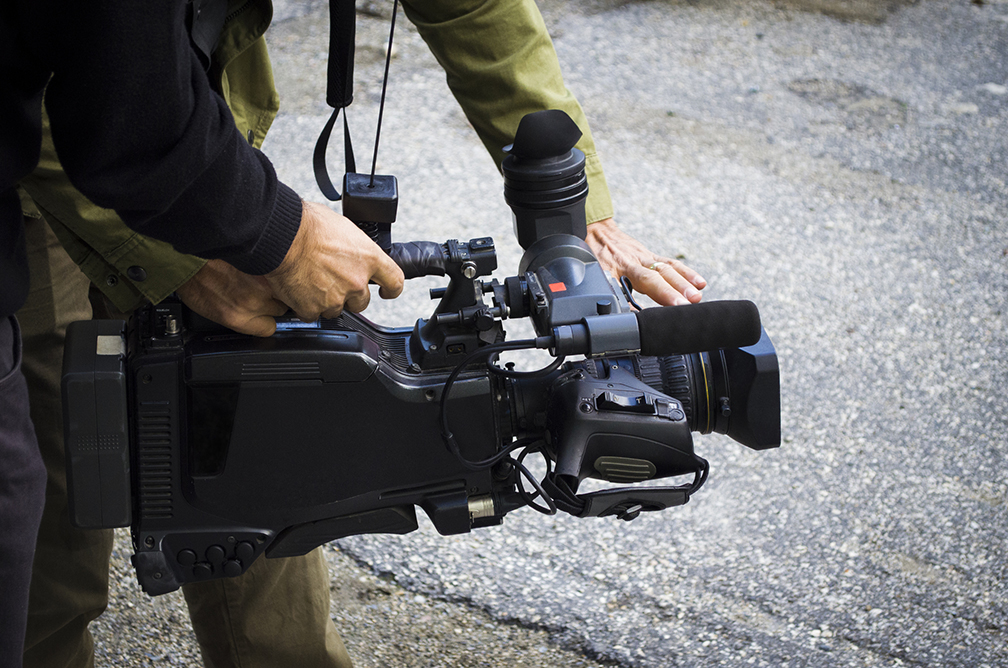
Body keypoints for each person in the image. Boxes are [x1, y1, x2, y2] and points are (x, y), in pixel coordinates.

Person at [8, 0, 708, 667]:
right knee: (50, 521)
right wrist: (209, 245)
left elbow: (472, 10)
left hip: (191, 122)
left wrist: (571, 205)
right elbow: (85, 58)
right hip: (40, 154)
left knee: (271, 439)